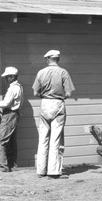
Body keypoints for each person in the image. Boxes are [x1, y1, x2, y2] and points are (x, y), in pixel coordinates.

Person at [32, 49, 75, 178]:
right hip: (58, 103)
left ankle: (41, 170)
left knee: (43, 138)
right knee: (55, 138)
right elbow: (68, 93)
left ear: (47, 59)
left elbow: (35, 93)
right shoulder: (63, 72)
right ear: (58, 59)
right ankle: (54, 171)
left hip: (44, 103)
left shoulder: (41, 72)